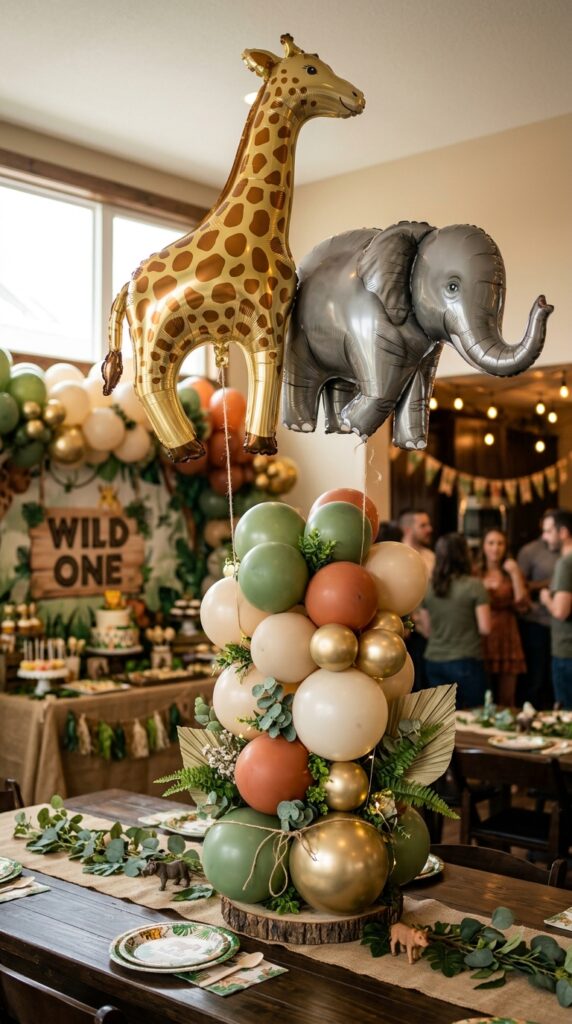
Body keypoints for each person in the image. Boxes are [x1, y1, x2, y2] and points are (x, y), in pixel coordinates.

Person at [420, 533, 491, 709]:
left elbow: (427, 630)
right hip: (466, 659)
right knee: (474, 717)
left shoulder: (428, 588)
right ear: (464, 556)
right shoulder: (474, 586)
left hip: (434, 660)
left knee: (443, 718)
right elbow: (485, 628)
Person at [475, 529, 528, 707]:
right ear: (483, 546)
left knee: (507, 696)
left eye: (500, 543)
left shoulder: (511, 572)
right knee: (483, 696)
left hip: (508, 633)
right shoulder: (476, 572)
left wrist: (515, 574)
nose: (495, 548)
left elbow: (522, 604)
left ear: (506, 547)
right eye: (491, 543)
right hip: (482, 633)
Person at [517, 516, 558, 707]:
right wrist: (551, 583)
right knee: (537, 677)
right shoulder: (530, 551)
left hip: (563, 624)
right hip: (538, 622)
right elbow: (521, 585)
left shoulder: (565, 550)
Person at [398, 509, 434, 692]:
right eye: (423, 525)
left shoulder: (431, 557)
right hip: (405, 630)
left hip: (429, 628)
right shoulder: (396, 555)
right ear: (408, 529)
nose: (429, 529)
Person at [539, 509, 572, 709]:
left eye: (548, 531)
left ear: (563, 532)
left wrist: (546, 599)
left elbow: (561, 611)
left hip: (567, 651)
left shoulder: (565, 563)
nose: (544, 537)